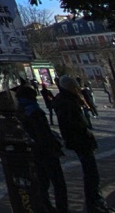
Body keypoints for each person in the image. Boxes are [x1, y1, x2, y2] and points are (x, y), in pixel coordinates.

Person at [54, 77, 115, 213]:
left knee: (91, 173)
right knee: (91, 173)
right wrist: (85, 132)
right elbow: (75, 123)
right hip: (80, 141)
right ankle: (95, 203)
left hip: (77, 140)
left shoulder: (63, 100)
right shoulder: (68, 102)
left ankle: (95, 202)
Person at [15, 85, 68, 213]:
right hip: (45, 151)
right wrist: (53, 147)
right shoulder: (34, 111)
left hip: (34, 151)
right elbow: (43, 134)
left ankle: (45, 206)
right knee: (58, 183)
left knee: (42, 182)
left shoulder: (20, 109)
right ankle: (61, 209)